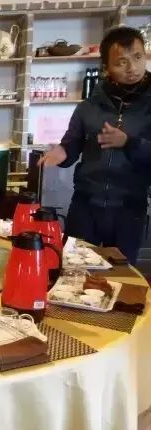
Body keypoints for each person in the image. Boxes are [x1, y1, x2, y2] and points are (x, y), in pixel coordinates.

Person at [38, 26, 151, 264]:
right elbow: (71, 145)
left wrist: (128, 142)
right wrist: (61, 152)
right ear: (106, 67)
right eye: (121, 62)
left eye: (138, 57)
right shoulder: (88, 107)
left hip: (129, 208)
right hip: (85, 204)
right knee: (72, 268)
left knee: (121, 274)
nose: (132, 68)